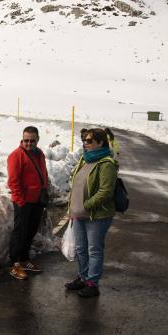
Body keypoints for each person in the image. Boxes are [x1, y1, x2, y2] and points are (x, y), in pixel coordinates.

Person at [65, 128, 118, 298]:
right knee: (81, 248)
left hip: (97, 216)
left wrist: (86, 205)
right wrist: (72, 208)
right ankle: (82, 277)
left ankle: (92, 283)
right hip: (79, 214)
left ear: (100, 142)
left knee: (94, 249)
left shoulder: (106, 164)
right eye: (85, 140)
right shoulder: (85, 159)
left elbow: (106, 191)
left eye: (89, 141)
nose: (85, 143)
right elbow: (76, 186)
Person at [7, 126, 49, 280]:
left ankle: (24, 259)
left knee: (30, 231)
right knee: (20, 232)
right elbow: (13, 181)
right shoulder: (16, 156)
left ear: (37, 139)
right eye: (26, 140)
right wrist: (20, 201)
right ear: (22, 139)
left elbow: (43, 173)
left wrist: (45, 189)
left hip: (38, 200)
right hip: (23, 202)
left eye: (32, 140)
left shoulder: (40, 154)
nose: (29, 143)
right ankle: (14, 264)